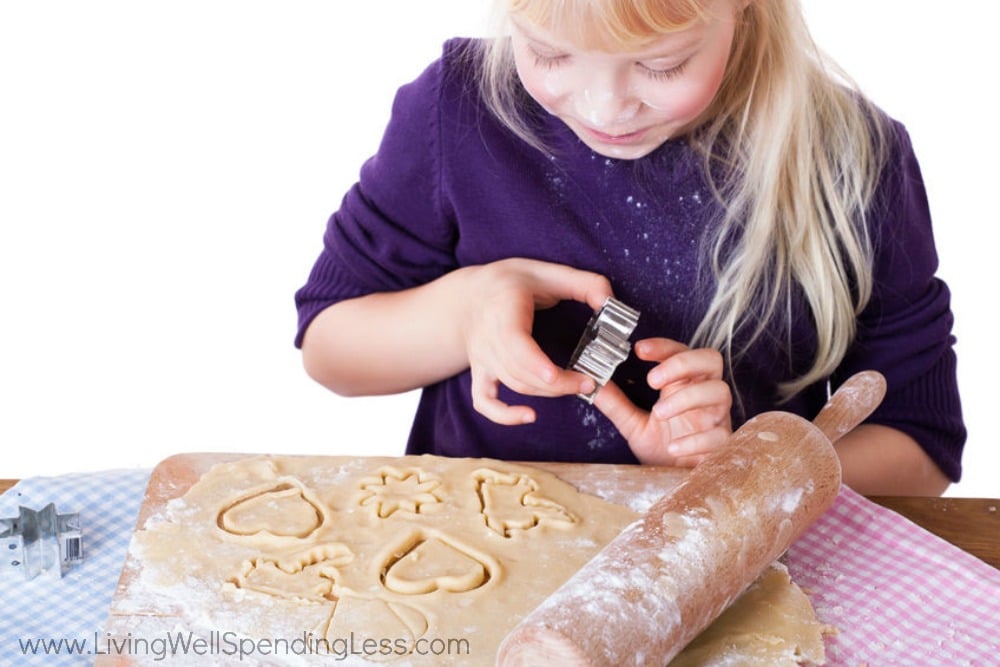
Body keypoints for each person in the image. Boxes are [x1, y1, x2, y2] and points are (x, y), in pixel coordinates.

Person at [294, 0, 965, 496]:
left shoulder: (852, 156)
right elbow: (329, 344)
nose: (603, 107)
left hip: (739, 578)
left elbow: (922, 441)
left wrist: (751, 469)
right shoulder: (457, 107)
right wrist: (463, 313)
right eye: (550, 53)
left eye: (660, 63)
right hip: (475, 564)